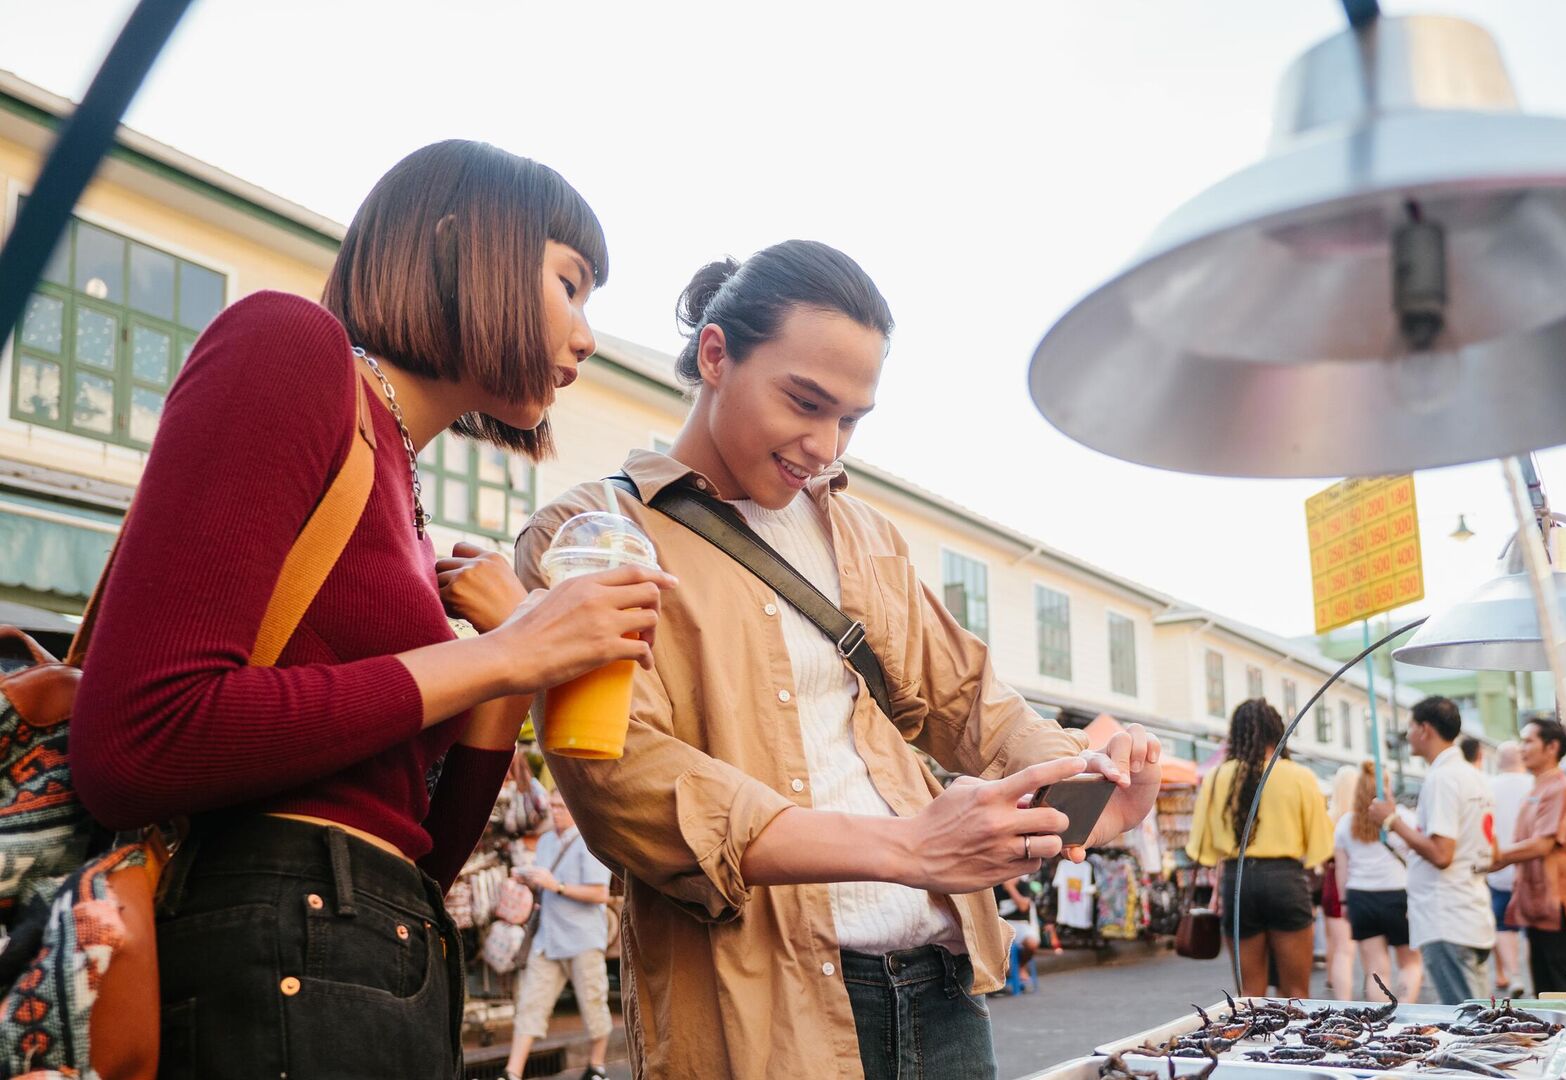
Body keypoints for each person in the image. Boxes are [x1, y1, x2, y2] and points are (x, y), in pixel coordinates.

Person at [66, 141, 654, 1079]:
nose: (586, 335)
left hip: (381, 963)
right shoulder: (287, 345)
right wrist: (499, 658)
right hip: (270, 954)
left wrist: (511, 672)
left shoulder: (402, 492)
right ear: (467, 247)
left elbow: (415, 860)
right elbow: (138, 738)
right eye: (571, 283)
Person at [517, 241, 1162, 1080]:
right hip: (757, 1006)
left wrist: (1086, 778)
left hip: (941, 983)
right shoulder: (591, 537)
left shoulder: (865, 535)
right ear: (716, 354)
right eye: (805, 402)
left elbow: (969, 702)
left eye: (851, 419)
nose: (826, 444)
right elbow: (626, 787)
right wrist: (905, 847)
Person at [1189, 699, 1333, 998]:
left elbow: (1202, 848)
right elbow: (1320, 844)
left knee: (1249, 995)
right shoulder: (1300, 776)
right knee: (1296, 992)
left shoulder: (1217, 776)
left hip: (1237, 880)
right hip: (1285, 879)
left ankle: (1251, 1042)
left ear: (1237, 733)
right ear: (1277, 731)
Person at [1366, 697, 1497, 1005]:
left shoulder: (1443, 778)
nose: (1407, 734)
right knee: (1476, 1012)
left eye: (1410, 727)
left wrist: (1392, 821)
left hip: (1448, 916)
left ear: (1424, 729)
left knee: (1471, 1023)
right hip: (1469, 911)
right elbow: (1490, 849)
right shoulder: (1474, 776)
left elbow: (1441, 853)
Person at [503, 788, 615, 1080]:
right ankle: (512, 1073)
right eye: (552, 806)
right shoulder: (546, 841)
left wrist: (557, 886)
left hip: (583, 938)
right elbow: (545, 882)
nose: (555, 811)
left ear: (573, 807)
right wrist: (528, 878)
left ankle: (596, 1066)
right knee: (530, 1004)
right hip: (548, 938)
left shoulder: (590, 841)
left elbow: (601, 893)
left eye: (561, 806)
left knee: (593, 1005)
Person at [1488, 718, 1566, 995]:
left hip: (1559, 908)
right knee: (1547, 995)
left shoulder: (1561, 788)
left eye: (1529, 741)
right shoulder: (1537, 787)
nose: (1522, 748)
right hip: (1537, 906)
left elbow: (1544, 844)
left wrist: (1496, 857)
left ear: (1552, 746)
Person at [1334, 761, 1424, 1003]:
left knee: (1375, 970)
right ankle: (1404, 1010)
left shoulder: (1345, 823)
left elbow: (1341, 869)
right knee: (1410, 964)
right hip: (1398, 896)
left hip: (1360, 897)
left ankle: (1384, 1022)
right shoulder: (1402, 819)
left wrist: (1344, 902)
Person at [1486, 739, 1532, 997]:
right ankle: (1532, 975)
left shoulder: (1488, 786)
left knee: (1503, 926)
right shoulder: (1534, 785)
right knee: (1532, 928)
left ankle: (1513, 974)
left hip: (1498, 870)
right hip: (1530, 869)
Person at [1323, 764, 1361, 1000]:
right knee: (1346, 950)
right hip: (1349, 880)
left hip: (1329, 880)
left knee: (1333, 941)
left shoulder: (1328, 817)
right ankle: (1344, 1001)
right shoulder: (1359, 820)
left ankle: (1331, 978)